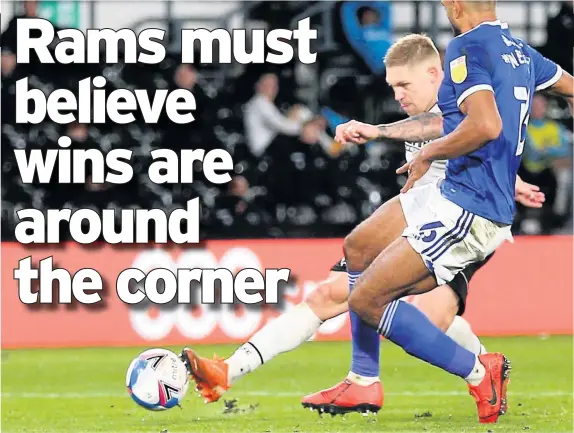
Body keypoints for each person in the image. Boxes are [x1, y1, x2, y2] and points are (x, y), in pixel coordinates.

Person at [179, 28, 550, 422]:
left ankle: (476, 371)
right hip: (422, 210)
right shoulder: (433, 110)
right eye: (392, 87)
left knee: (425, 316)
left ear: (433, 73)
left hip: (457, 220)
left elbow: (448, 127)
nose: (397, 95)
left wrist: (378, 131)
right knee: (334, 291)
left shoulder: (458, 95)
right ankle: (238, 372)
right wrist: (515, 182)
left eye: (403, 85)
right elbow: (476, 148)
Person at [331, 0, 572, 424]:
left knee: (367, 299)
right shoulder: (517, 50)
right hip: (462, 198)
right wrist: (380, 131)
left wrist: (429, 156)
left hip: (467, 206)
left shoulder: (467, 48)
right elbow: (448, 121)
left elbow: (484, 126)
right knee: (359, 248)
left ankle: (480, 371)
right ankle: (363, 377)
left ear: (455, 5)